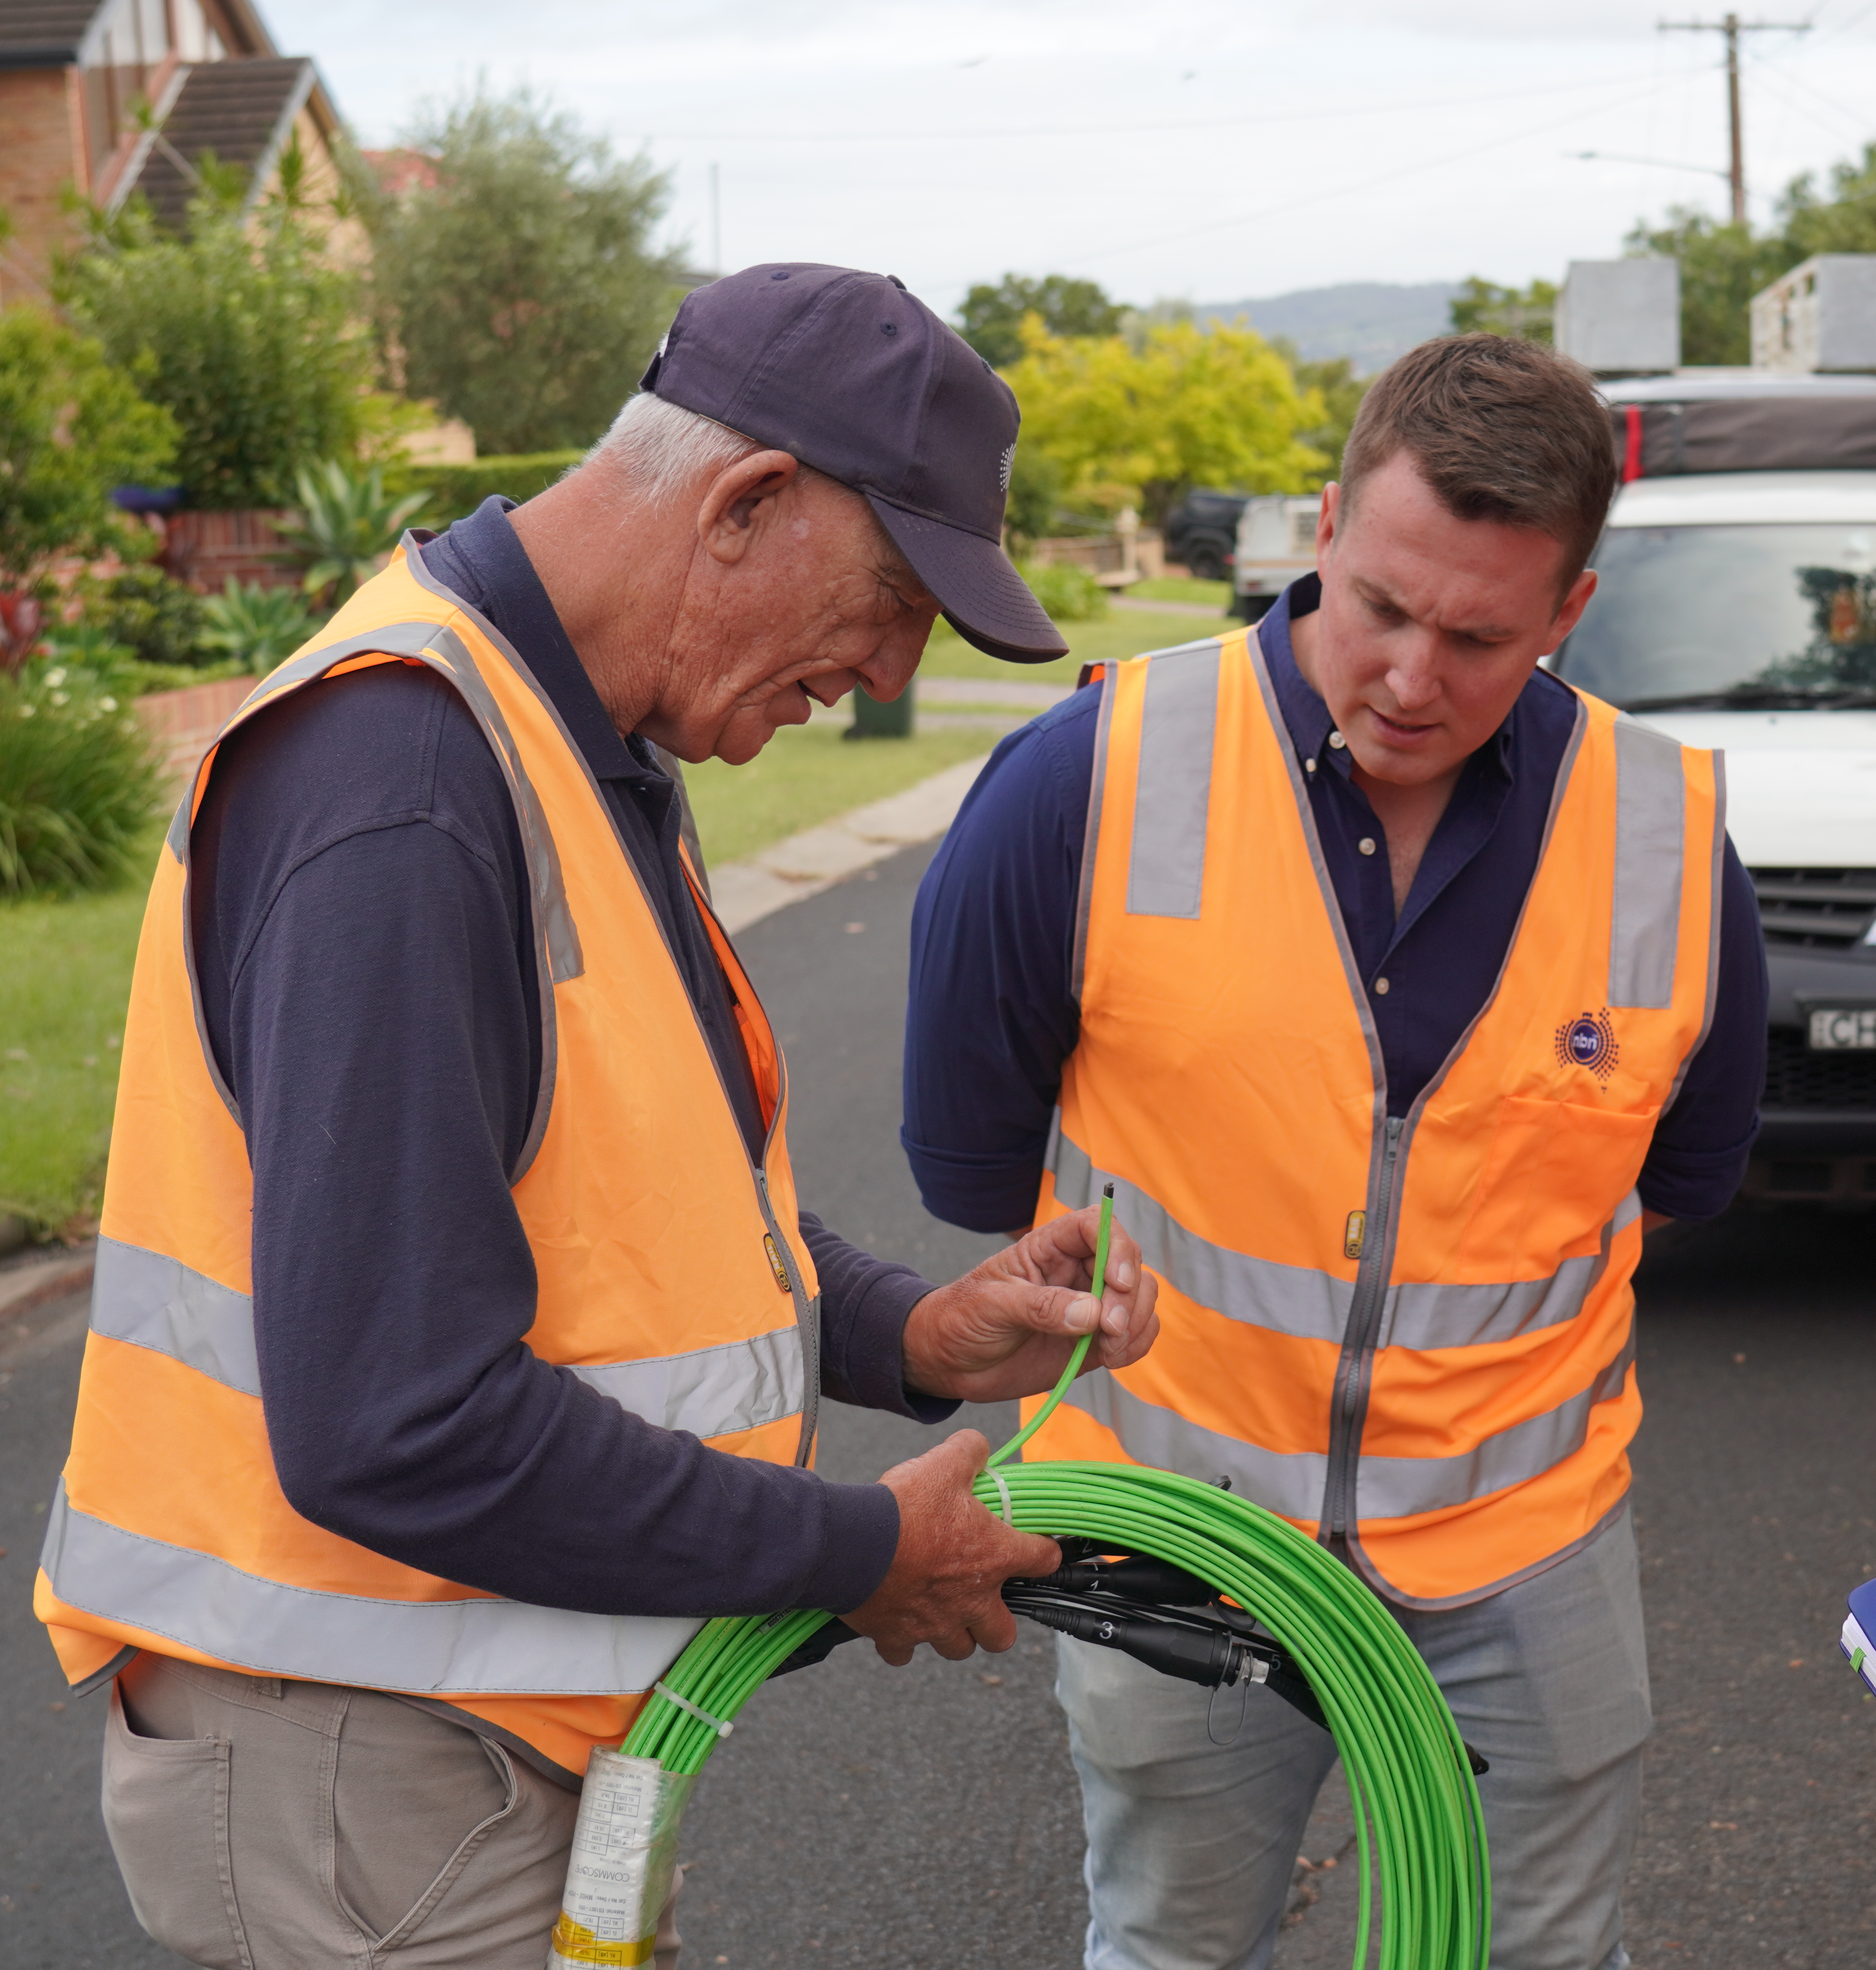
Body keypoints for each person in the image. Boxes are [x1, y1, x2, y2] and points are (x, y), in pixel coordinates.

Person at [35, 264, 1159, 1970]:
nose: (879, 675)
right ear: (747, 502)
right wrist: (862, 1547)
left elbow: (641, 1210)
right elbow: (400, 1423)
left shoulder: (576, 738)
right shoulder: (409, 784)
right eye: (889, 600)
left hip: (447, 1751)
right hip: (365, 1770)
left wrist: (915, 1334)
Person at [904, 333, 1768, 1970]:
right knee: (1171, 1946)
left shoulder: (1661, 834)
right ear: (1323, 526)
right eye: (1379, 604)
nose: (1411, 676)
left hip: (1529, 1551)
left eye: (1480, 636)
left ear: (1572, 612)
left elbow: (1690, 1171)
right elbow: (969, 1173)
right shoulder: (1082, 780)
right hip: (1181, 1539)